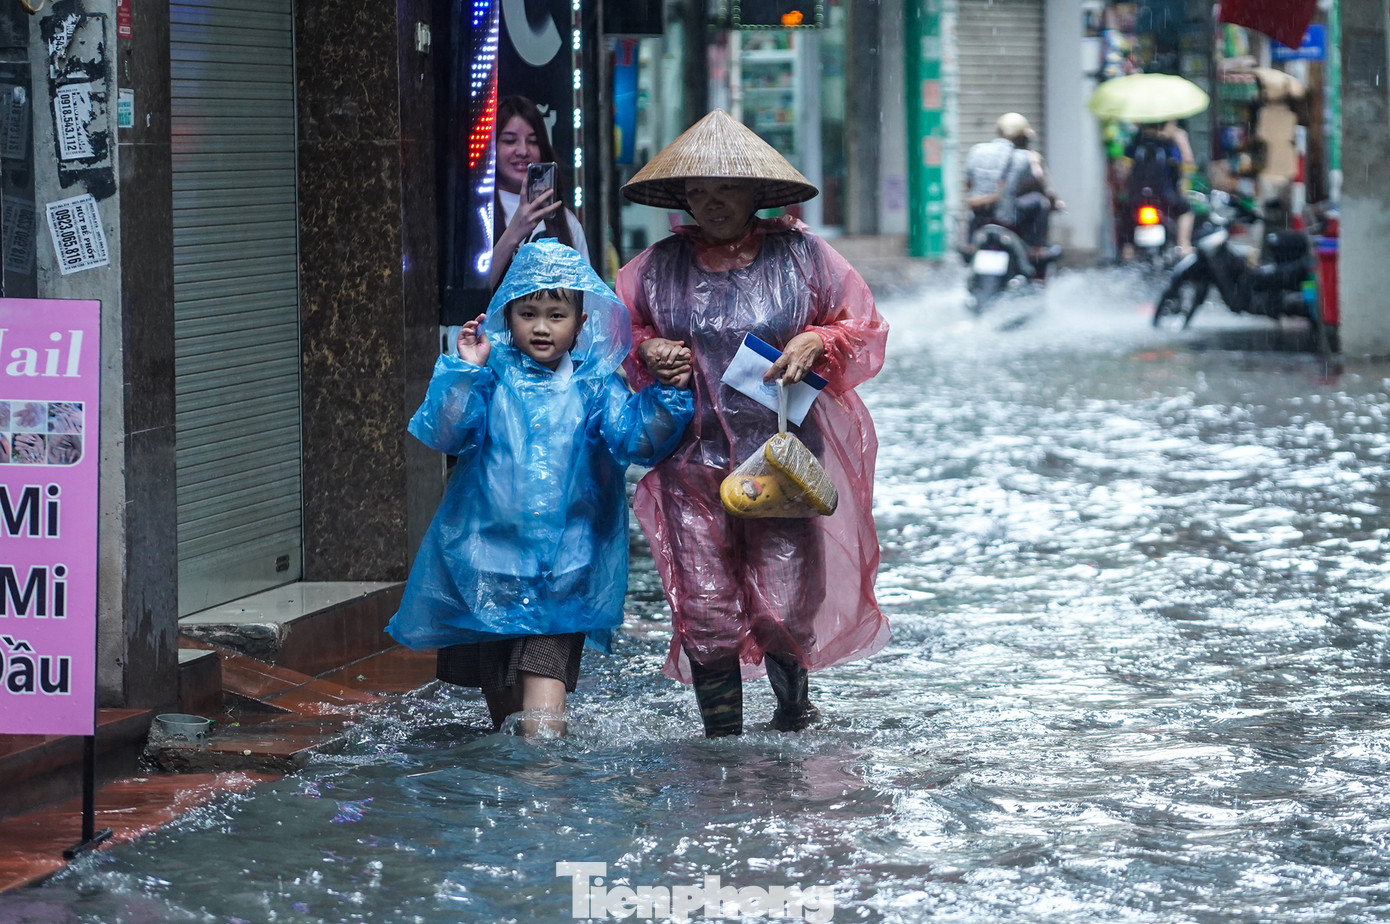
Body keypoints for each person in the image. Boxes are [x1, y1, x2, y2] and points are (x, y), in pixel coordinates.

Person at [616, 109, 890, 738]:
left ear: (756, 193)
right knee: (705, 606)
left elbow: (863, 325)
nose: (712, 203)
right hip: (689, 462)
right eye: (699, 191)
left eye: (727, 188)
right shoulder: (654, 269)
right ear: (681, 199)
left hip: (781, 460)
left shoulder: (804, 258)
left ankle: (793, 711)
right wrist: (648, 351)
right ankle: (721, 745)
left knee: (787, 603)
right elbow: (614, 338)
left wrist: (818, 341)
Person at [387, 240, 694, 735]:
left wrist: (669, 395)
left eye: (556, 314)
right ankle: (525, 798)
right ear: (508, 317)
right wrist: (465, 368)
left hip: (564, 573)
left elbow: (638, 439)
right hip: (488, 567)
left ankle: (547, 789)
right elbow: (444, 432)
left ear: (581, 323)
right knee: (506, 714)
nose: (542, 326)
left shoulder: (597, 386)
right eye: (529, 313)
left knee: (543, 717)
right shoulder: (490, 374)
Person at [490, 96, 590, 286]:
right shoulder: (478, 213)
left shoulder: (564, 220)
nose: (523, 151)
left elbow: (584, 295)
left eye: (533, 142)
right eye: (510, 141)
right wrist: (514, 232)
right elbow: (471, 293)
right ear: (492, 148)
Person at [963, 112, 1062, 255]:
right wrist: (1054, 202)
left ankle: (969, 244)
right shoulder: (1025, 157)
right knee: (1041, 201)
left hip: (979, 219)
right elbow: (1040, 185)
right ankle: (1036, 249)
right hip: (1009, 218)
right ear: (1021, 137)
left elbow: (969, 184)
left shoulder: (976, 151)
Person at [1123, 119, 1194, 254]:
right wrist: (1183, 141)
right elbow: (1188, 166)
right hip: (1164, 196)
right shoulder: (1169, 145)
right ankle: (1183, 245)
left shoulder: (1135, 142)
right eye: (1173, 125)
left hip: (1136, 196)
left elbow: (1124, 169)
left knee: (1126, 213)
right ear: (1164, 126)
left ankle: (1128, 249)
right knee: (1186, 211)